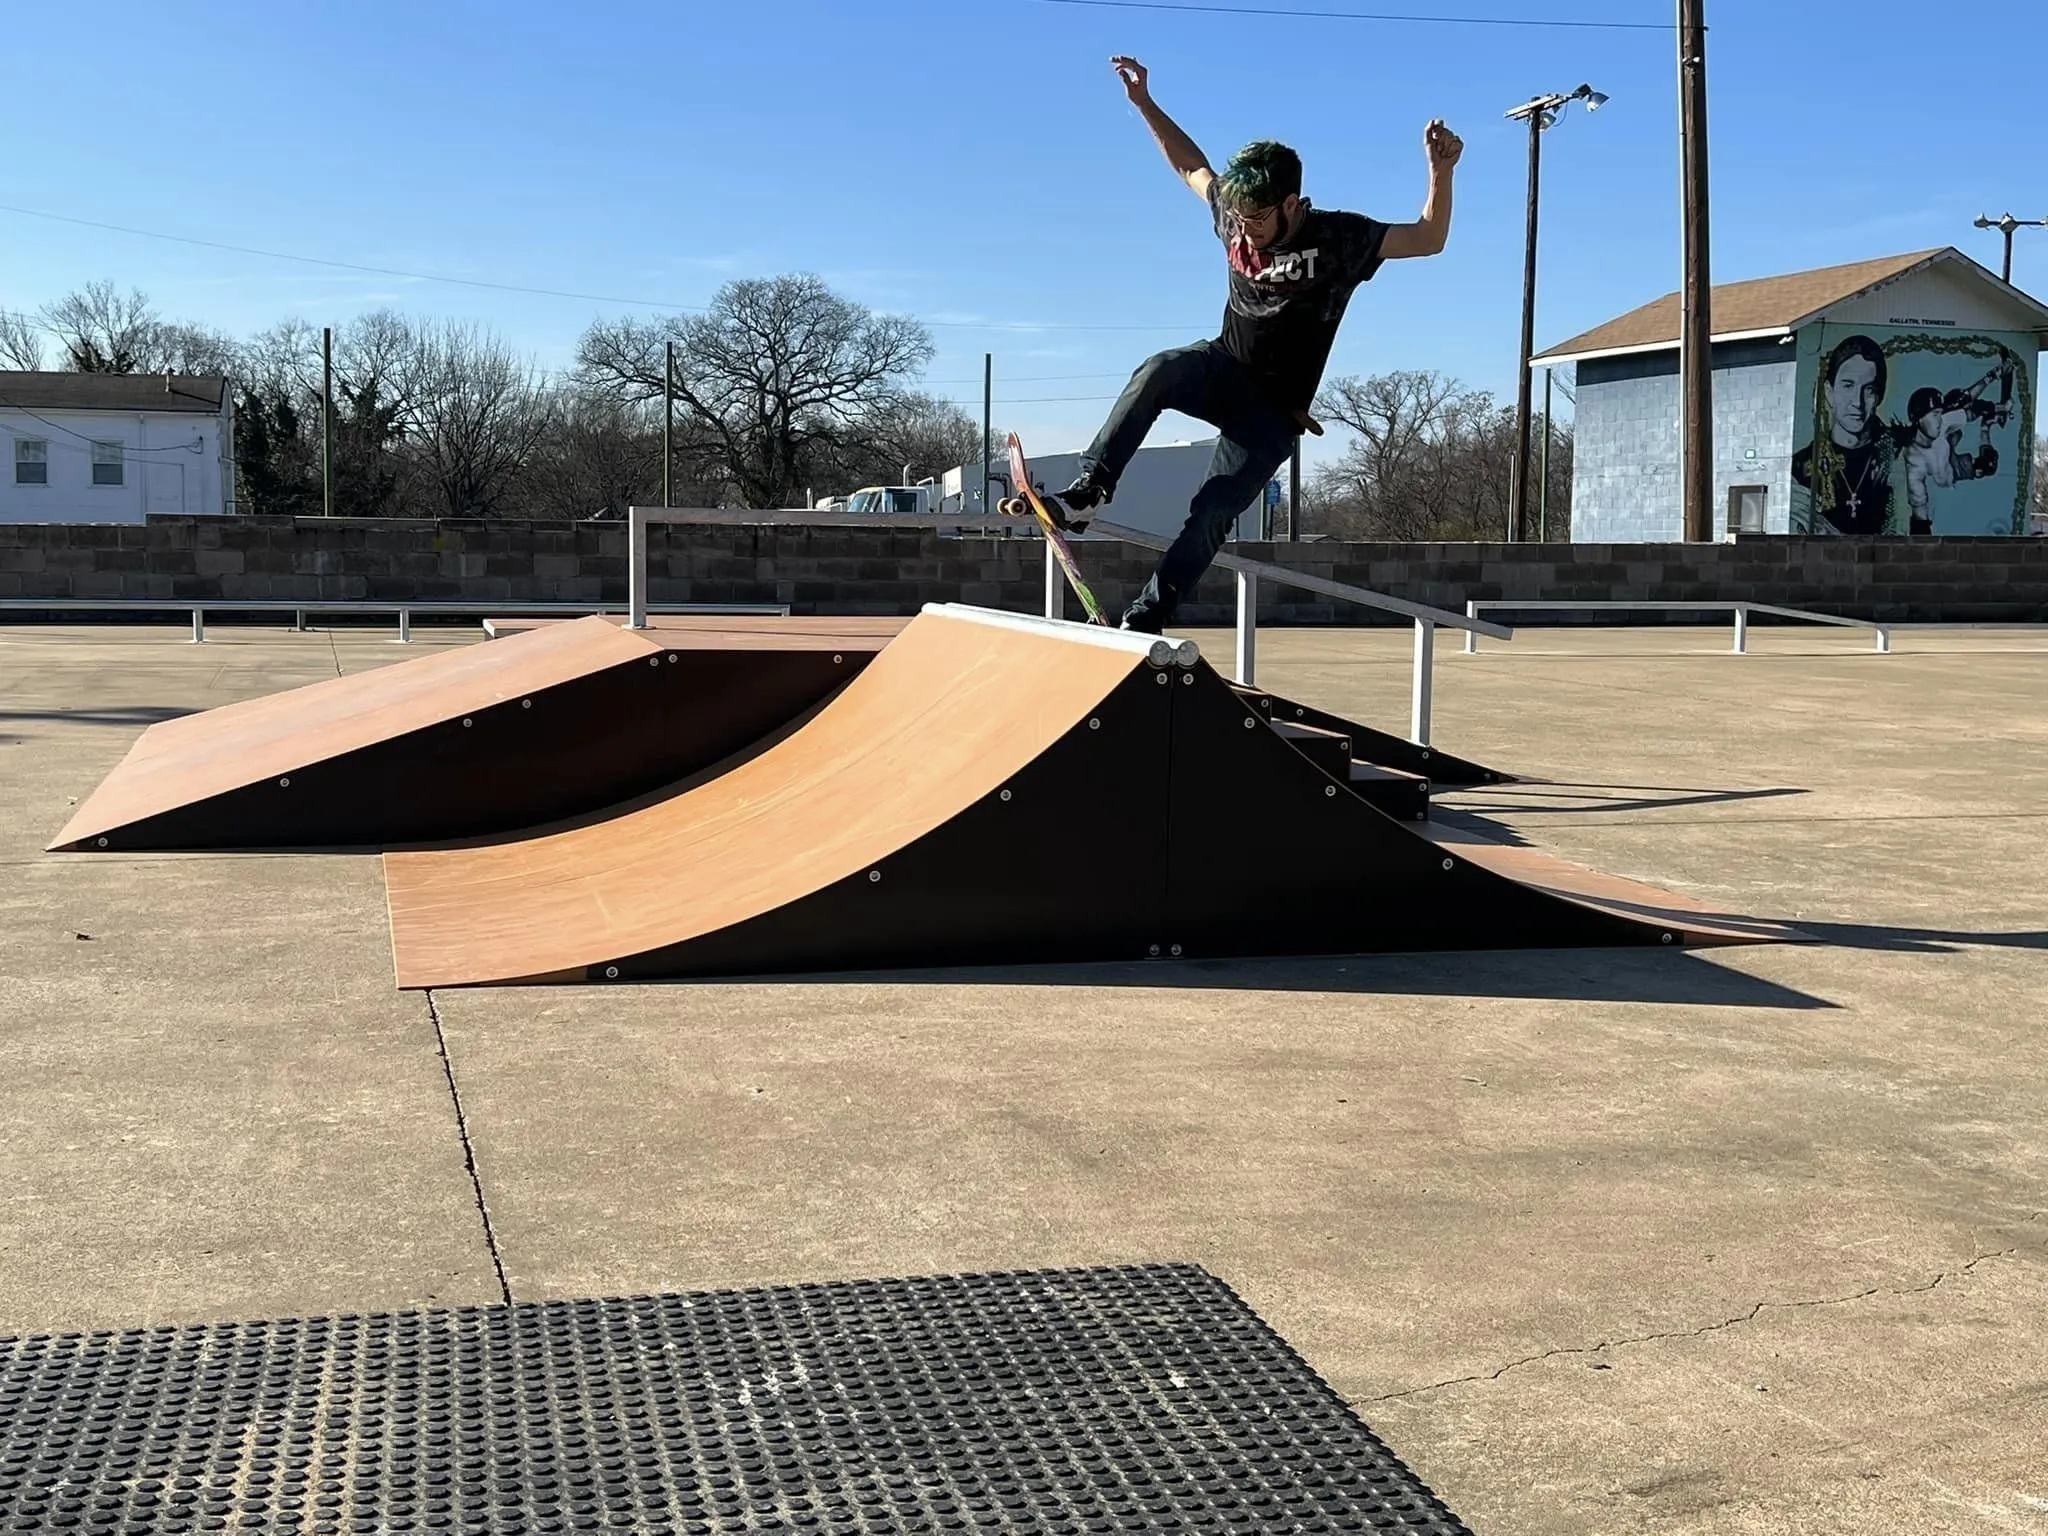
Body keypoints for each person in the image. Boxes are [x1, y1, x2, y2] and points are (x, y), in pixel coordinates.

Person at [1017, 55, 1463, 633]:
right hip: (1224, 367)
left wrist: (1440, 173)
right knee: (1158, 369)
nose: (1246, 231)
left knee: (1213, 511)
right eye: (1240, 218)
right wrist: (1145, 104)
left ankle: (1145, 619)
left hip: (1273, 412)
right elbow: (1191, 167)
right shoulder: (1233, 212)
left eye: (1257, 221)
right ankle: (1091, 490)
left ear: (1292, 205)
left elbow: (1428, 238)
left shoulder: (1341, 238)